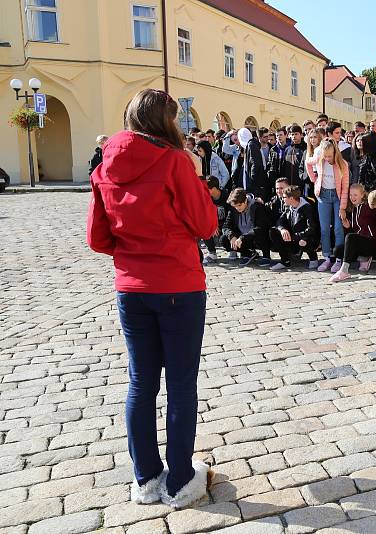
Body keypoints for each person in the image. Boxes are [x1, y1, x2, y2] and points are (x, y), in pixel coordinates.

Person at [87, 88, 217, 509]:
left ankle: (145, 479)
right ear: (166, 122)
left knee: (141, 383)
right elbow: (206, 224)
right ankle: (179, 481)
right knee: (180, 383)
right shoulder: (175, 161)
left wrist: (134, 251)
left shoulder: (104, 165)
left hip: (131, 288)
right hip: (178, 284)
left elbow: (97, 237)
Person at [306, 139, 350, 272]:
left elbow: (345, 187)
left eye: (329, 156)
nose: (327, 158)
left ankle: (338, 259)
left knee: (338, 228)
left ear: (335, 152)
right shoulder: (320, 159)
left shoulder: (343, 164)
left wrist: (342, 207)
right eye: (325, 156)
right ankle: (326, 258)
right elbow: (308, 162)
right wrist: (314, 179)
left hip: (337, 197)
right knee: (324, 228)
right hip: (323, 196)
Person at [329, 184, 376, 281]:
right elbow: (352, 229)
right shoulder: (352, 209)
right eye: (350, 195)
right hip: (360, 243)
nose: (352, 197)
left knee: (350, 237)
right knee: (337, 251)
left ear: (362, 195)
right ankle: (364, 258)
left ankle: (344, 271)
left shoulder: (369, 206)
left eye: (355, 195)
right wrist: (345, 221)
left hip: (372, 242)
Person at [269, 185, 319, 270]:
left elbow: (312, 229)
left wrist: (295, 236)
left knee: (303, 241)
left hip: (306, 238)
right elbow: (280, 221)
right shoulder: (288, 206)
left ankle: (313, 258)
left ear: (291, 198)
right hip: (292, 238)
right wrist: (282, 230)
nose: (282, 198)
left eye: (284, 197)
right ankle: (285, 261)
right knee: (273, 231)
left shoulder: (307, 207)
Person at [222, 188, 270, 266]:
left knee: (262, 232)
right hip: (242, 238)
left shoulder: (257, 206)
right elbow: (225, 226)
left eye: (239, 205)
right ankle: (247, 253)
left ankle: (266, 255)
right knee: (224, 239)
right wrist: (231, 236)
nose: (237, 208)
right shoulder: (233, 209)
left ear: (245, 201)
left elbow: (261, 227)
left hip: (255, 237)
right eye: (235, 206)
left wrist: (242, 237)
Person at [201, 177, 230, 265]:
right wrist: (214, 224)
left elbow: (231, 216)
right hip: (215, 224)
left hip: (226, 223)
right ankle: (212, 253)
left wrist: (224, 226)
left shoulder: (226, 196)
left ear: (213, 189)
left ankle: (233, 250)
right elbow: (205, 214)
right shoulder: (206, 198)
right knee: (204, 227)